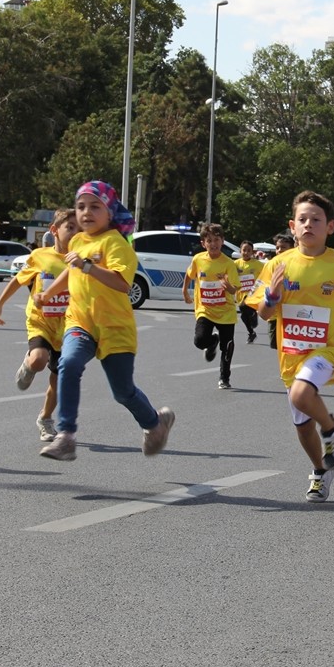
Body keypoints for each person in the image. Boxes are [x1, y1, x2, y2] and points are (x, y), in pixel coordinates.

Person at [248, 190, 334, 503]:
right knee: (302, 425)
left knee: (302, 394)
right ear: (292, 226)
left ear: (330, 227)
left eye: (316, 220)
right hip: (292, 353)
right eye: (302, 220)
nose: (309, 225)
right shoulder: (278, 265)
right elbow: (263, 313)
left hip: (332, 348)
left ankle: (333, 430)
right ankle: (321, 470)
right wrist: (272, 297)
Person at [34, 181, 174, 461]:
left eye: (95, 206)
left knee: (122, 392)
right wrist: (48, 293)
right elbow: (70, 273)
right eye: (81, 206)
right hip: (81, 322)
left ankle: (154, 423)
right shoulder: (76, 241)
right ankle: (66, 437)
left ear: (110, 212)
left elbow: (122, 284)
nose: (86, 212)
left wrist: (87, 265)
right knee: (68, 363)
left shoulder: (116, 243)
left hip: (115, 327)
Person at [0, 208, 79, 443]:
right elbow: (18, 281)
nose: (74, 232)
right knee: (39, 359)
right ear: (54, 231)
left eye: (78, 229)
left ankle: (45, 419)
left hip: (69, 327)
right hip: (40, 321)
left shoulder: (82, 260)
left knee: (58, 380)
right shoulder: (40, 256)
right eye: (69, 228)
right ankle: (29, 364)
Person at [183, 223, 241, 390]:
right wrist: (185, 291)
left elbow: (235, 288)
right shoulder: (198, 259)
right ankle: (212, 340)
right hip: (205, 310)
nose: (213, 244)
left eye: (216, 240)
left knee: (227, 346)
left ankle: (224, 377)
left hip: (226, 312)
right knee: (200, 341)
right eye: (209, 240)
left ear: (222, 241)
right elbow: (189, 275)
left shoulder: (228, 263)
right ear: (204, 243)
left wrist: (227, 286)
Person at [267, 232, 295, 351]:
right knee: (275, 344)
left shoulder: (297, 265)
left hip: (293, 314)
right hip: (274, 314)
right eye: (277, 248)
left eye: (283, 247)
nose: (279, 250)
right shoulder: (271, 265)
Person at [234, 240, 264, 343]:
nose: (246, 252)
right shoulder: (235, 264)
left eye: (249, 250)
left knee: (244, 306)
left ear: (253, 252)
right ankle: (251, 332)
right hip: (240, 294)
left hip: (253, 293)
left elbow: (266, 274)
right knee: (243, 315)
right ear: (240, 251)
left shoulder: (257, 264)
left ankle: (253, 315)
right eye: (244, 250)